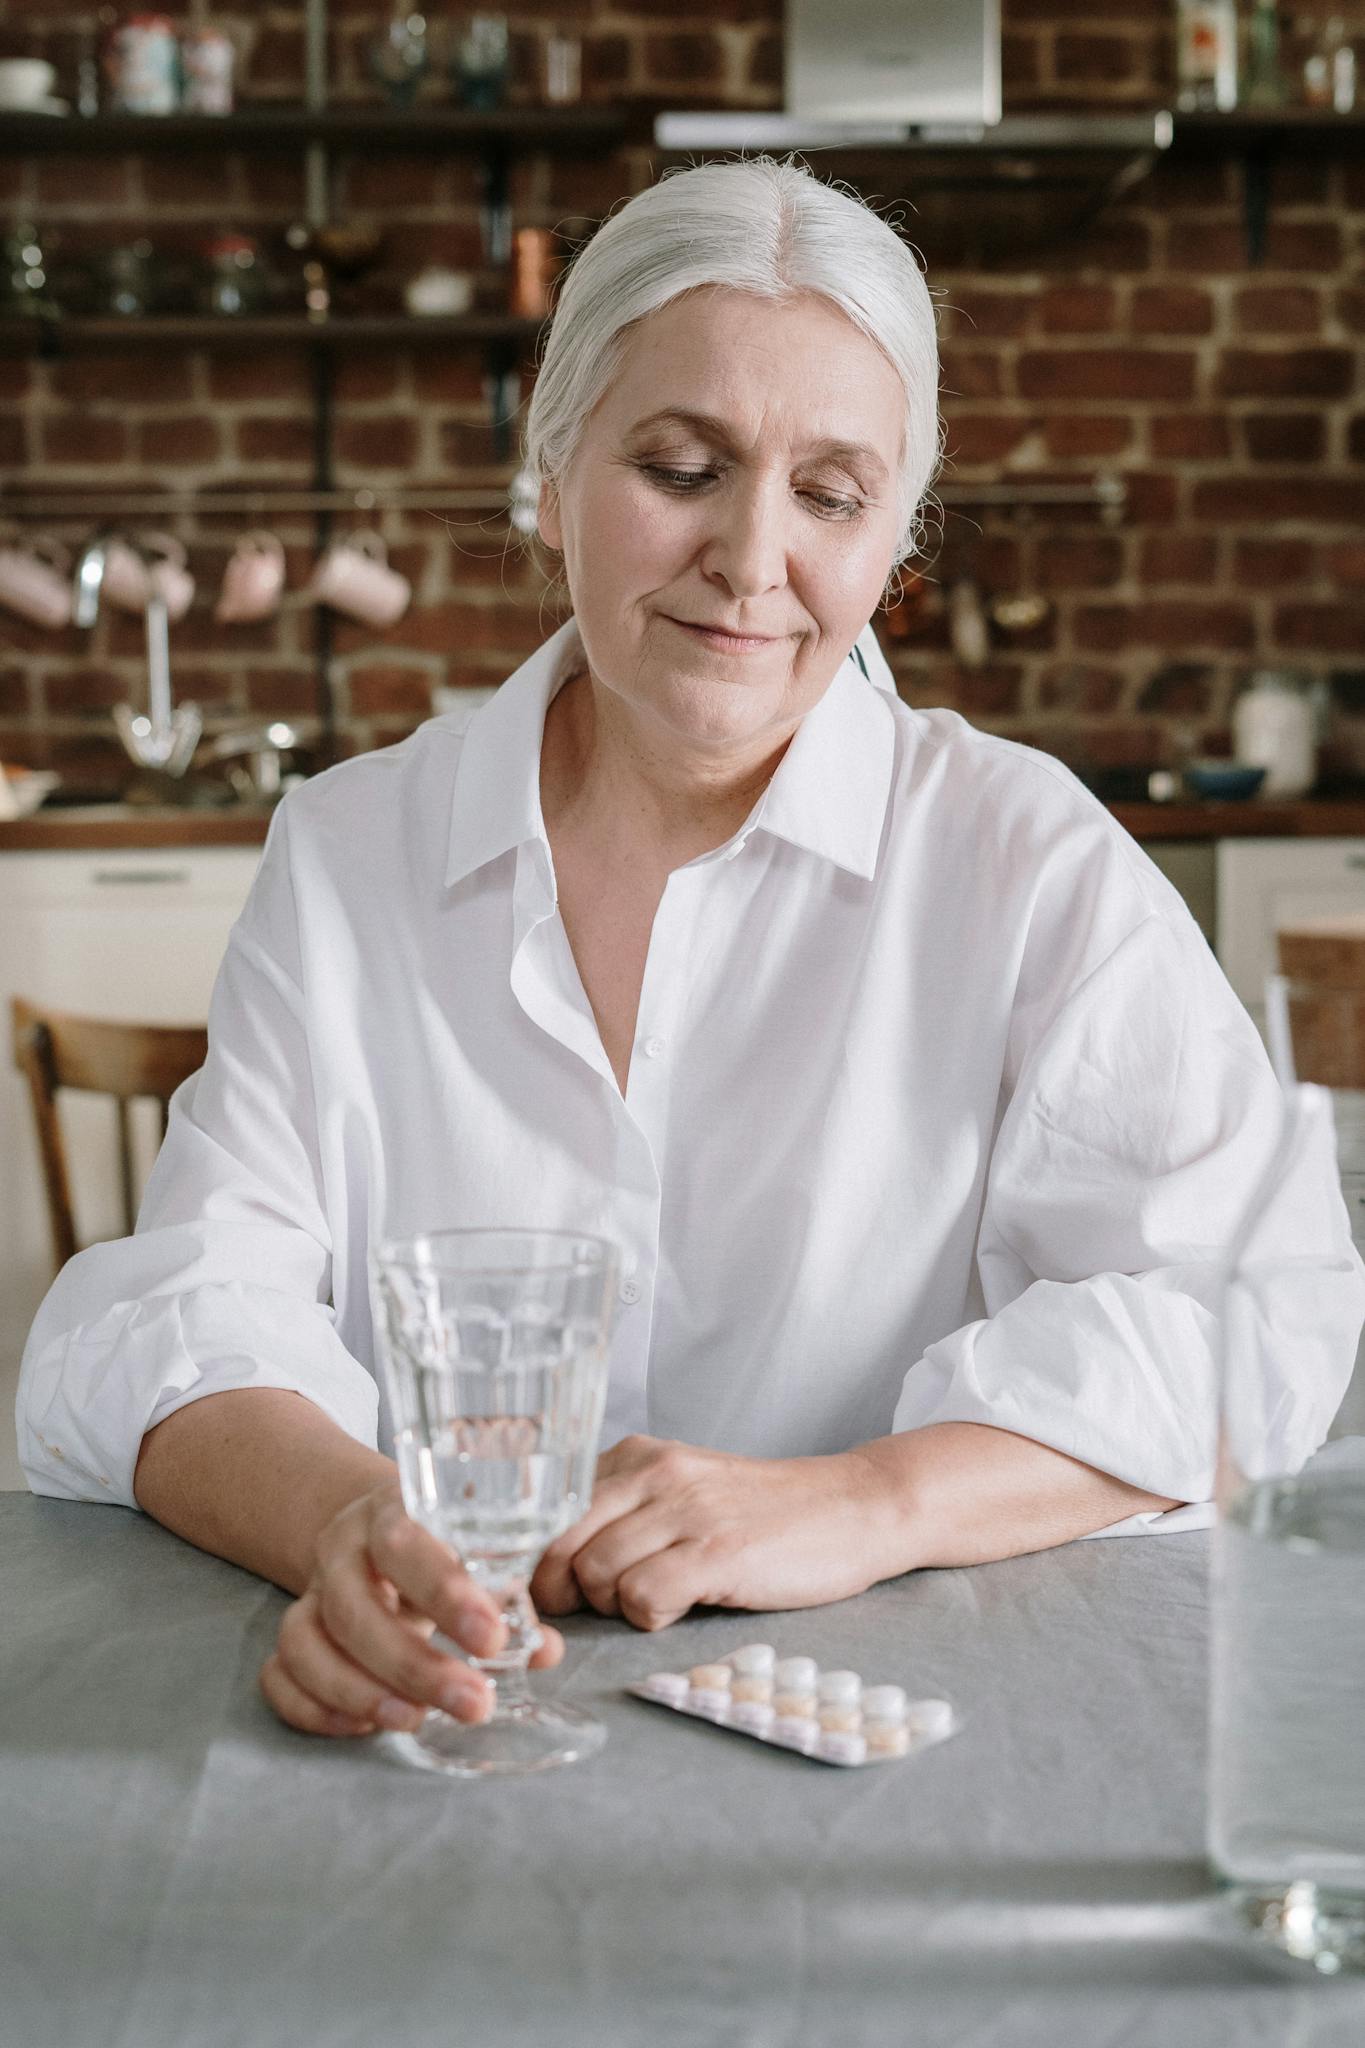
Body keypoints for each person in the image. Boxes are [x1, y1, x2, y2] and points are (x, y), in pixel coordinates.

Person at [17, 159, 1362, 1746]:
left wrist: (867, 1500)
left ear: (890, 539)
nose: (749, 555)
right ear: (552, 468)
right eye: (680, 464)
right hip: (441, 1734)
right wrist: (348, 1531)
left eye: (831, 495)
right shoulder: (347, 852)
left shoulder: (1025, 857)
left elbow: (1250, 1324)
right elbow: (175, 1310)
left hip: (903, 1732)